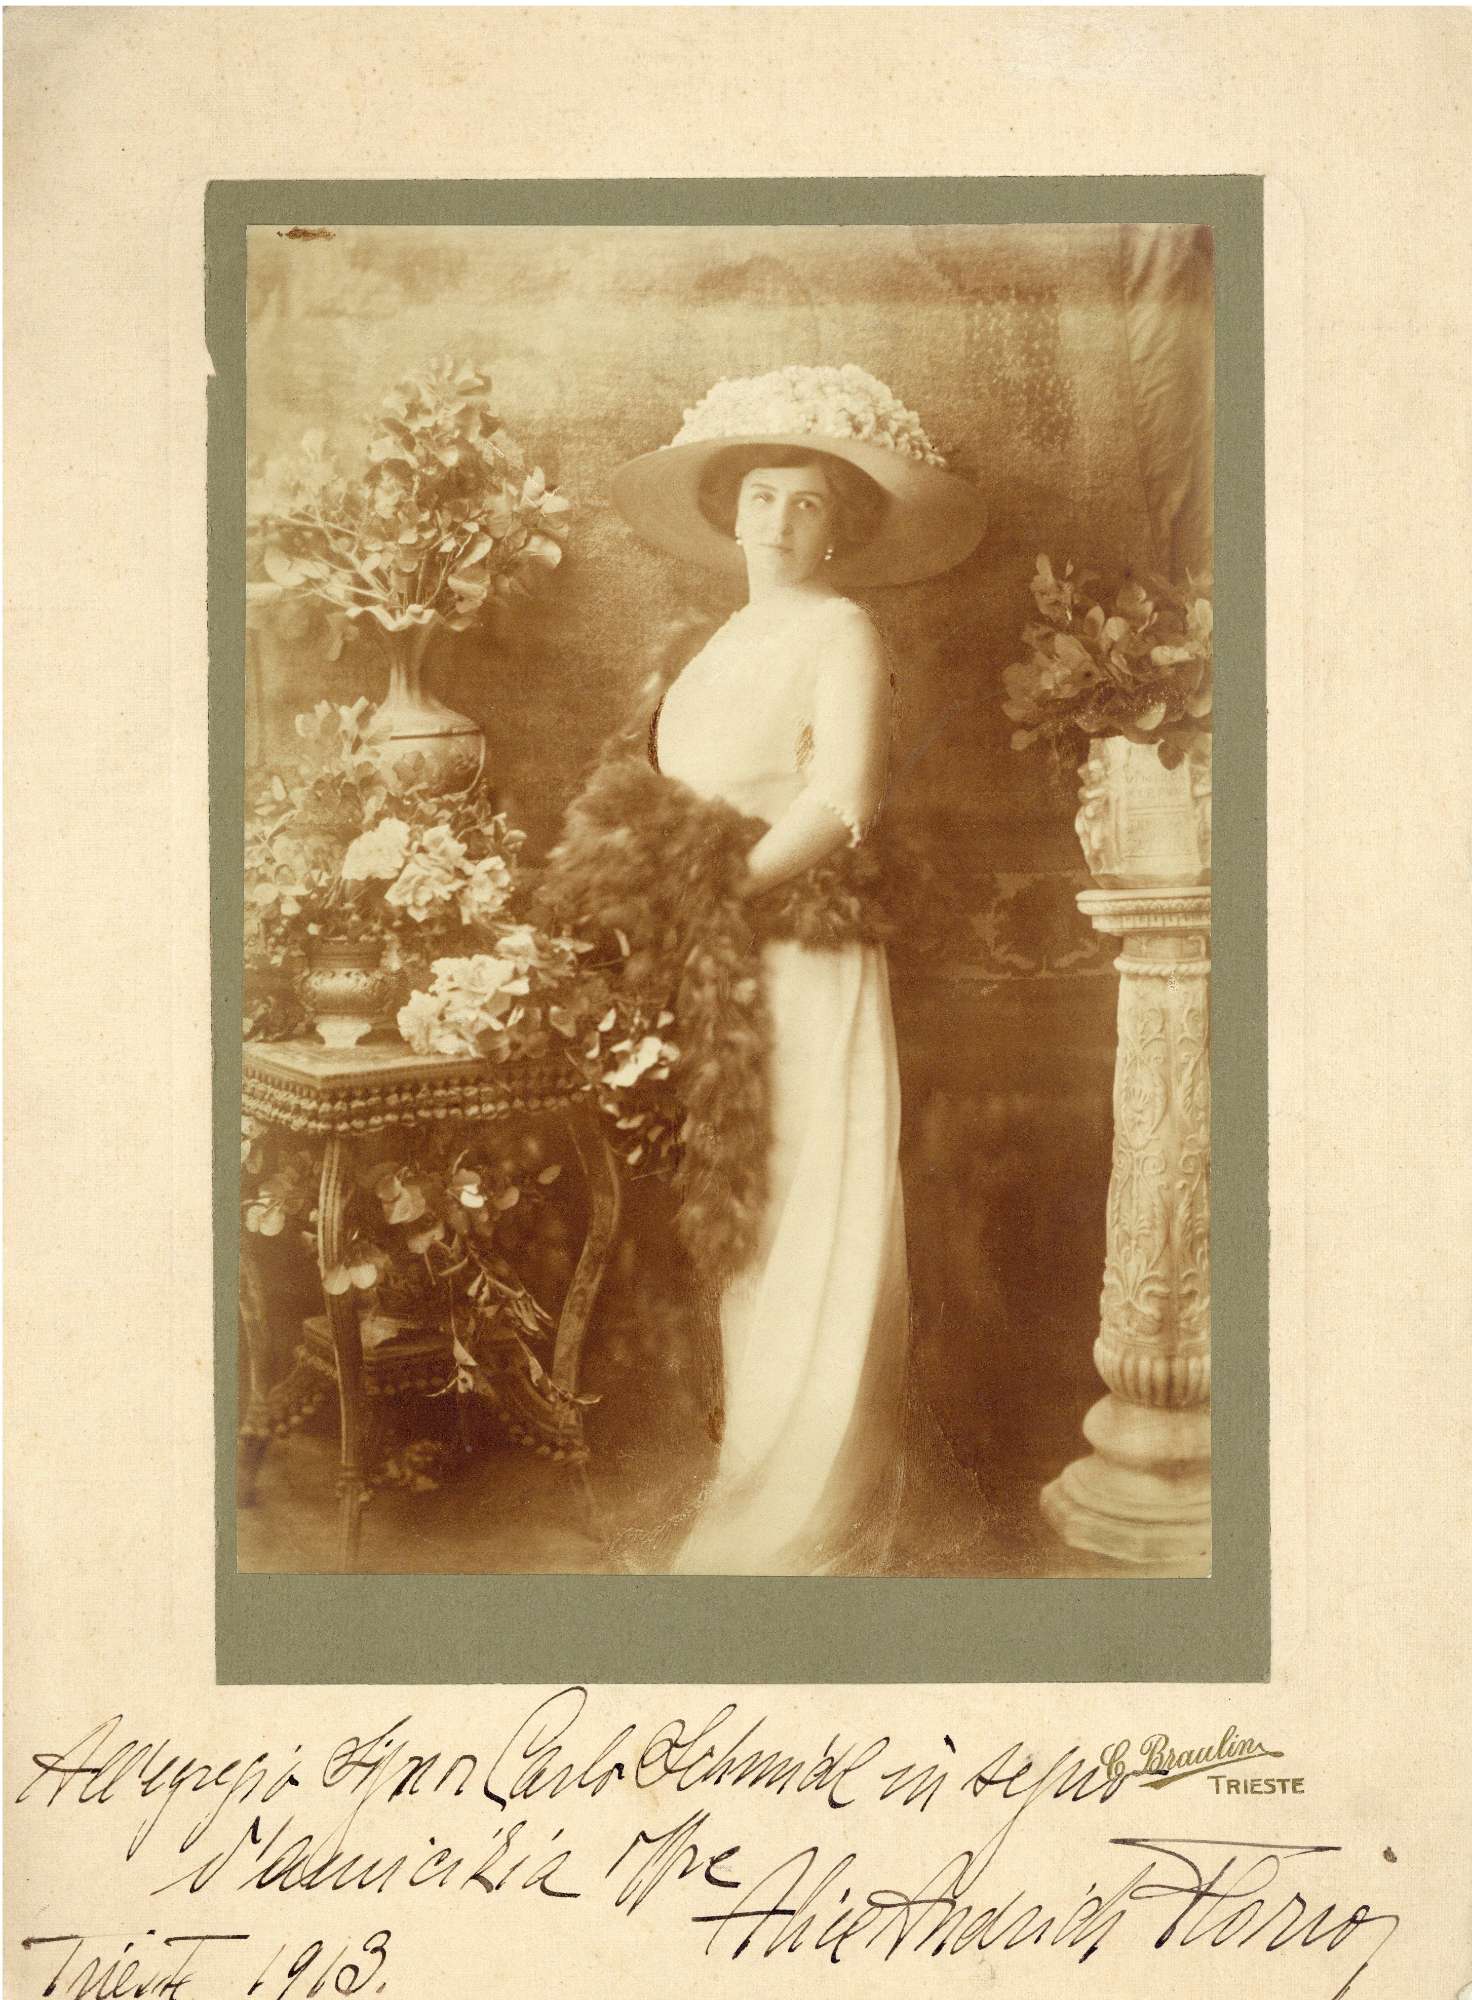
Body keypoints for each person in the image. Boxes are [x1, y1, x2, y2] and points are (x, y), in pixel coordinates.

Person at [606, 366, 986, 1575]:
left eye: (806, 502)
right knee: (746, 1209)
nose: (776, 521)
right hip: (716, 959)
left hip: (802, 951)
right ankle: (752, 1469)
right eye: (760, 495)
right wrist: (665, 901)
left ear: (841, 527)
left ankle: (812, 1507)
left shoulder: (841, 630)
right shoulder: (713, 643)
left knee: (811, 1204)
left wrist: (722, 888)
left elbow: (843, 796)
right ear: (729, 512)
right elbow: (677, 801)